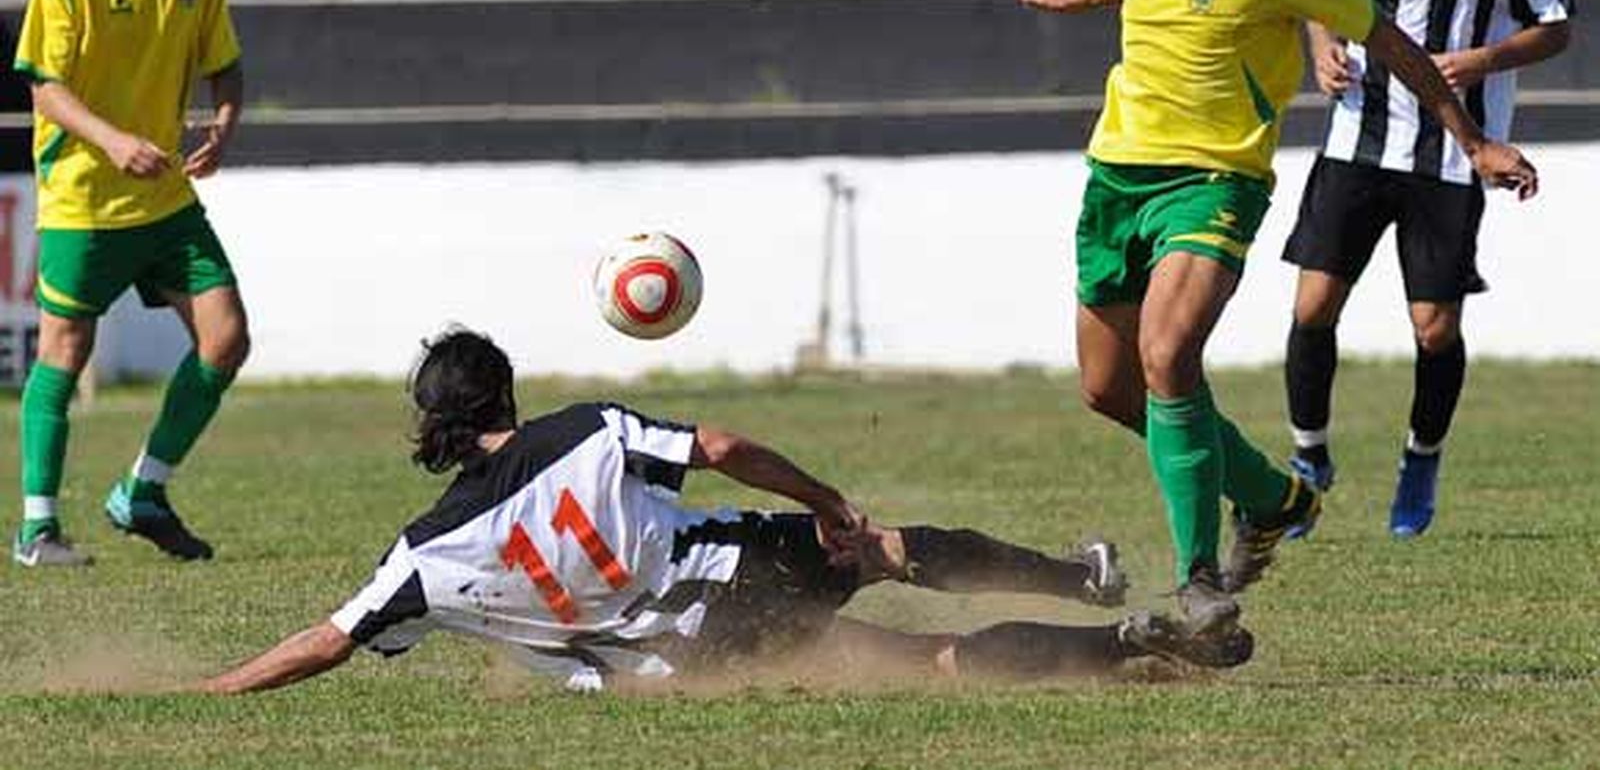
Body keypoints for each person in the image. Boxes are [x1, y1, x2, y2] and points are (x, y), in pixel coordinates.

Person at [1016, 0, 1538, 653]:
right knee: (1111, 389)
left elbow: (1389, 41)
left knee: (1167, 354)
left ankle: (1199, 582)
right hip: (1117, 174)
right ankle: (1269, 497)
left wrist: (1472, 141)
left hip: (1215, 179)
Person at [201, 328, 1250, 694]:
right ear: (504, 397)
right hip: (734, 573)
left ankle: (1121, 639)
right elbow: (719, 449)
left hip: (685, 666)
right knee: (876, 550)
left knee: (922, 663)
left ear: (432, 427)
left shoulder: (421, 560)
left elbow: (326, 643)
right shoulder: (580, 432)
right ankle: (1087, 583)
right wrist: (823, 500)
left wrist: (217, 684)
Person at [1280, 0, 1572, 538]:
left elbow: (1556, 23)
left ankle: (1421, 458)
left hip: (1449, 157)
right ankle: (1309, 456)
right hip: (1357, 139)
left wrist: (1482, 59)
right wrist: (1321, 50)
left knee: (1434, 327)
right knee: (1312, 307)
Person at [9, 0, 248, 567]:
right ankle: (37, 527)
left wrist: (226, 120)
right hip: (84, 199)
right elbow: (45, 91)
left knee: (226, 337)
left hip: (166, 201)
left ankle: (143, 490)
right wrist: (112, 140)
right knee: (65, 349)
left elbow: (225, 62)